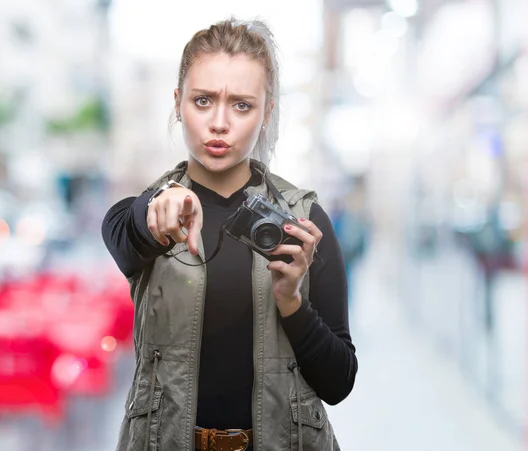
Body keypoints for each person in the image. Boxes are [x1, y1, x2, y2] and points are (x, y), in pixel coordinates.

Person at [102, 18, 357, 451]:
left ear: (266, 112)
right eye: (203, 101)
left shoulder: (303, 220)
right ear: (178, 102)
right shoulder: (150, 215)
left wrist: (292, 302)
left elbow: (338, 383)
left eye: (241, 105)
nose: (219, 123)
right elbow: (124, 233)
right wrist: (156, 208)